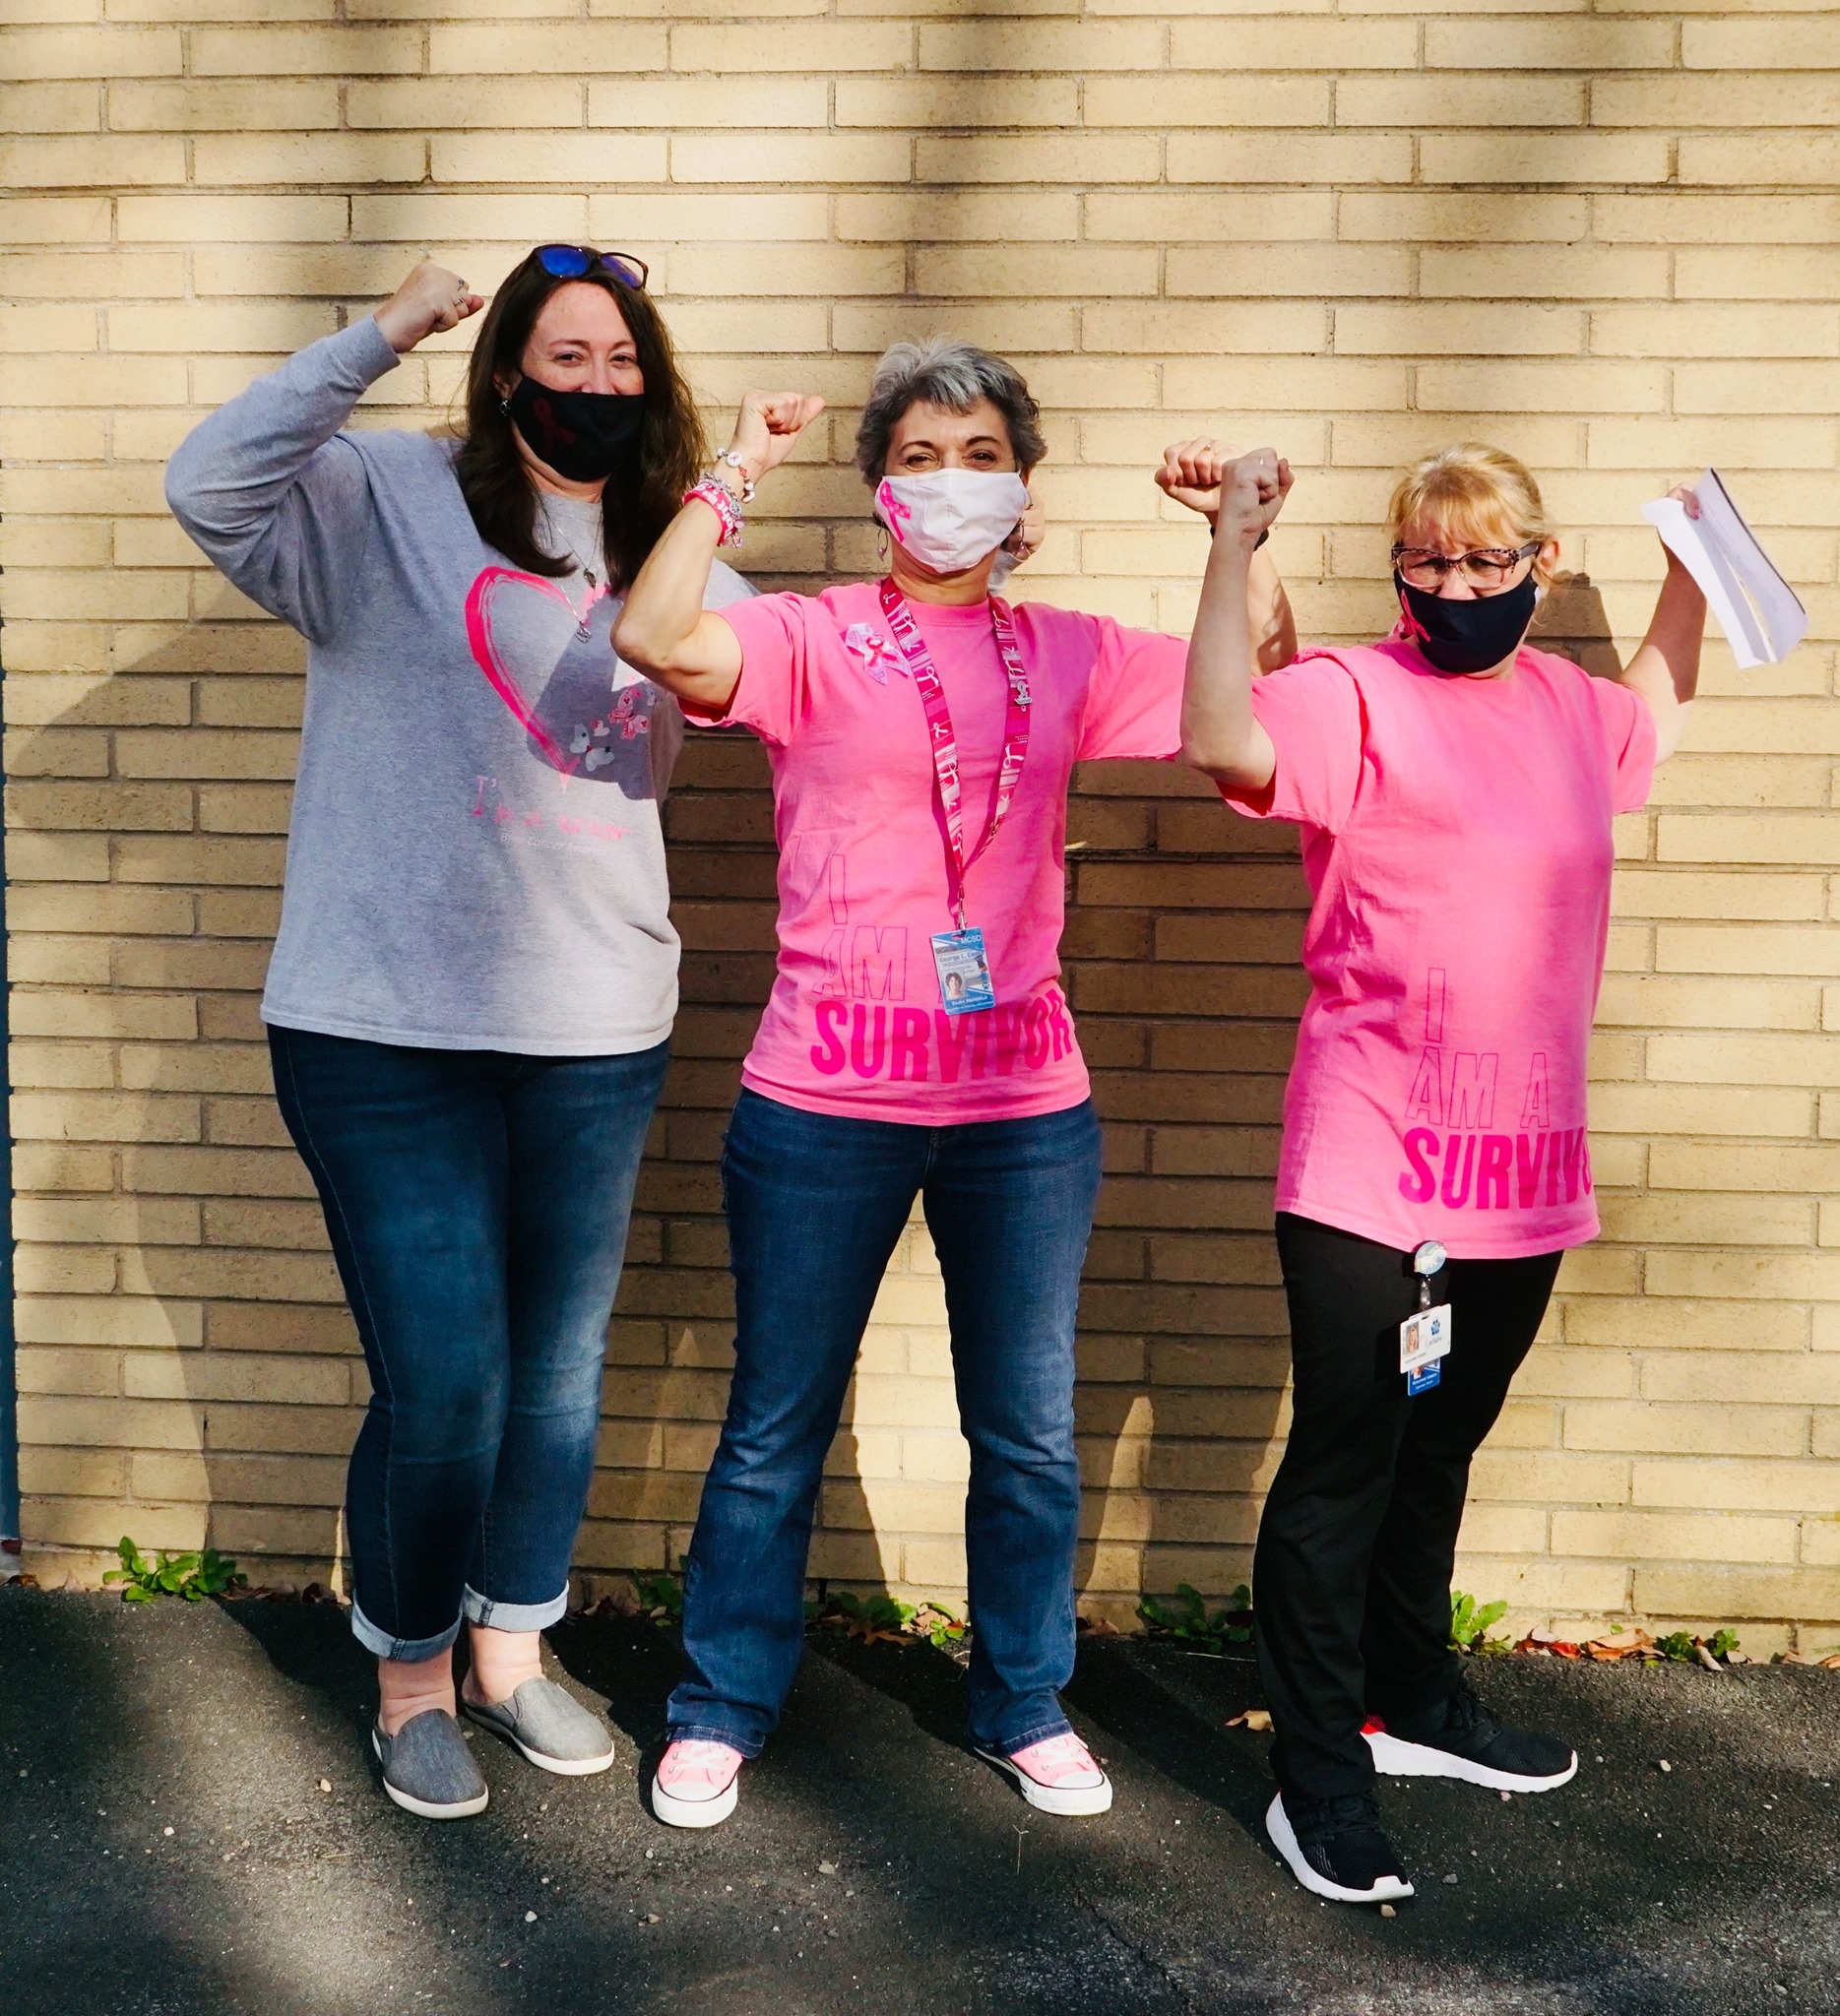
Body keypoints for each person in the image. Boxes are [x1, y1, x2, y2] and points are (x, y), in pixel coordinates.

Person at [614, 340, 1296, 1830]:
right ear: (878, 492)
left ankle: (1022, 1699)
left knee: (1027, 1431)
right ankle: (720, 1705)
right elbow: (654, 635)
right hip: (819, 1100)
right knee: (773, 1424)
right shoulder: (807, 638)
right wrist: (735, 471)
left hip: (1020, 1113)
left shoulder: (1064, 651)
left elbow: (1250, 695)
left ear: (1023, 489)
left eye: (979, 454)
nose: (949, 483)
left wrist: (1236, 543)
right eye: (918, 458)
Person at [165, 246, 755, 1819]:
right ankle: (410, 1680)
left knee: (554, 1380)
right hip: (380, 1028)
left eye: (626, 363)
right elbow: (210, 483)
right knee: (444, 1385)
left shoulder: (674, 549)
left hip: (593, 1024)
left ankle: (512, 1654)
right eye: (566, 355)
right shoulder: (378, 498)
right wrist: (377, 335)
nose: (599, 385)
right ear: (504, 371)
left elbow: (806, 702)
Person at [1172, 438, 1707, 1905]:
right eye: (1428, 559)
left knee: (1439, 1445)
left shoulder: (1566, 710)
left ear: (1535, 565)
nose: (1454, 584)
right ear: (1396, 566)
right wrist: (1229, 546)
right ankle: (1316, 1780)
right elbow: (1220, 734)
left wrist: (1688, 574)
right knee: (1345, 1466)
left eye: (1485, 560)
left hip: (1523, 1168)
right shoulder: (1351, 693)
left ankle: (1414, 1702)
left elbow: (1657, 698)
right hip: (1368, 1158)